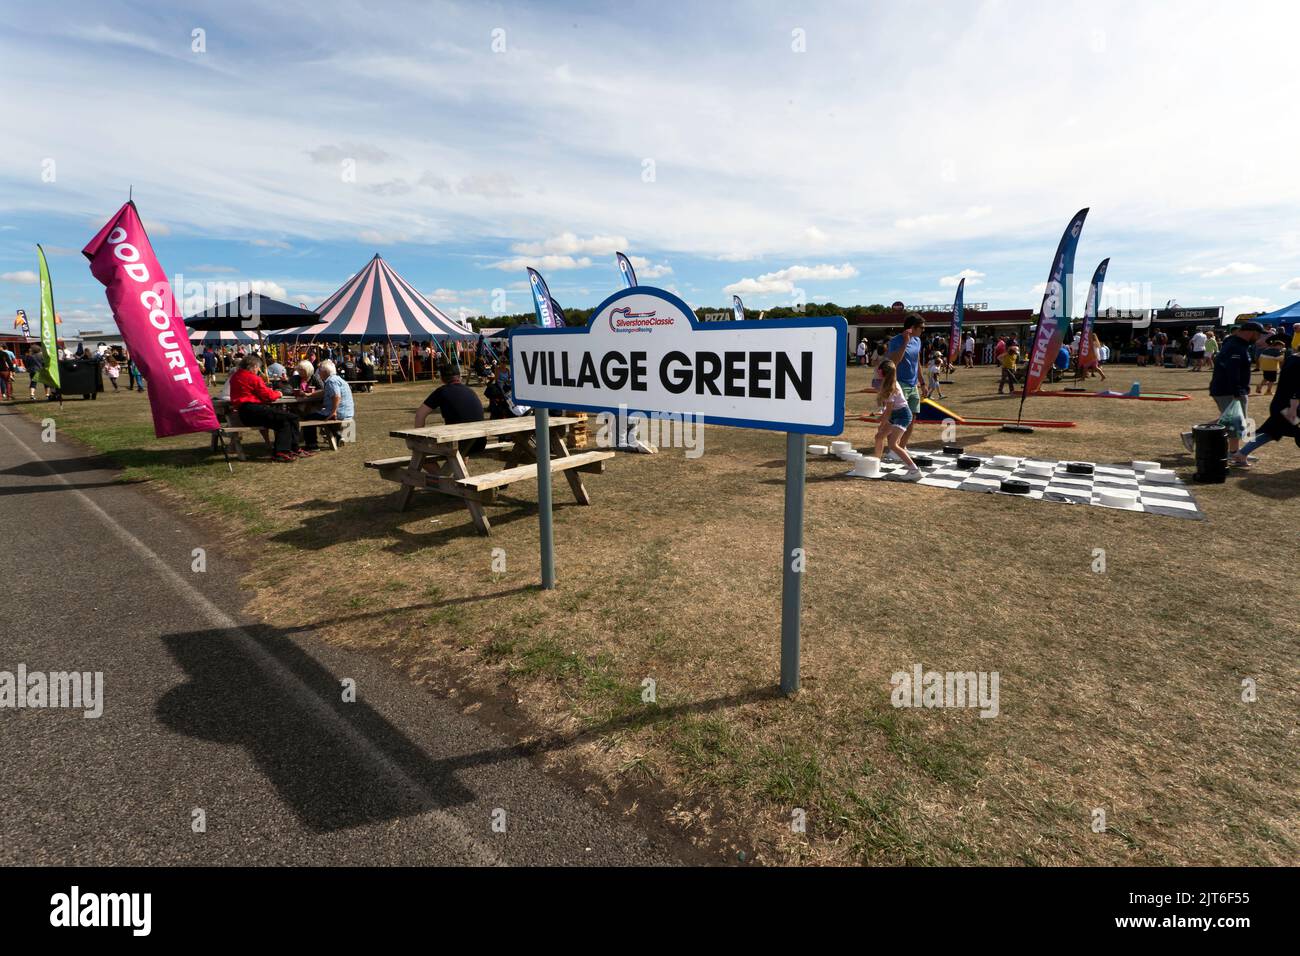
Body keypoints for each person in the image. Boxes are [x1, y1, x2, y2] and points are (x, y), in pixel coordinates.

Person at [227, 354, 309, 462]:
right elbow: (268, 396)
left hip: (243, 412)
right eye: (257, 368)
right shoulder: (253, 378)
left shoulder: (235, 376)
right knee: (291, 418)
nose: (258, 370)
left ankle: (285, 450)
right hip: (253, 409)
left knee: (284, 421)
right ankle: (289, 449)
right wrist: (278, 393)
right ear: (253, 366)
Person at [1231, 345, 1300, 467]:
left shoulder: (1292, 359)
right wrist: (1293, 409)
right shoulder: (1297, 363)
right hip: (1289, 407)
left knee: (1272, 432)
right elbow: (1296, 389)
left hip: (1281, 404)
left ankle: (1241, 455)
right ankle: (1240, 454)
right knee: (1277, 432)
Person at [1207, 321, 1263, 460]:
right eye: (1258, 334)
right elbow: (1232, 371)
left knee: (1231, 420)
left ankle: (1194, 434)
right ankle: (1234, 453)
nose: (1260, 338)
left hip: (1231, 389)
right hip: (1227, 390)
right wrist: (1237, 391)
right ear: (1251, 332)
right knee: (1235, 423)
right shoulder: (1235, 346)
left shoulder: (1239, 345)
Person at [416, 365, 486, 454]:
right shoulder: (469, 390)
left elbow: (420, 415)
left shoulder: (442, 391)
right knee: (461, 453)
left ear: (441, 378)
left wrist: (418, 439)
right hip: (479, 442)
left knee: (419, 449)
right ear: (459, 377)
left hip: (458, 444)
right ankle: (458, 467)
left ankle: (449, 468)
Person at [886, 313, 928, 452]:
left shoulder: (917, 341)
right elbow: (894, 362)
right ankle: (893, 448)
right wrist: (905, 342)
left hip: (913, 385)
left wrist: (922, 383)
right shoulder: (896, 341)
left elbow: (917, 363)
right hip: (899, 384)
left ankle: (901, 447)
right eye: (921, 328)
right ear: (912, 328)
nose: (923, 330)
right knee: (897, 418)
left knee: (911, 418)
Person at [871, 359, 920, 476]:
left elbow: (888, 411)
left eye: (879, 370)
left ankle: (914, 469)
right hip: (895, 414)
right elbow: (888, 411)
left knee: (893, 444)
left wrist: (881, 421)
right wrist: (882, 421)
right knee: (879, 437)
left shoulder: (890, 388)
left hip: (903, 416)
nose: (877, 372)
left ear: (882, 373)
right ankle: (876, 463)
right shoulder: (888, 383)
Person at [301, 359, 355, 450]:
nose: (318, 373)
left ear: (325, 372)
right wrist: (309, 394)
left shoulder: (331, 381)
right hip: (347, 412)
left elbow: (336, 396)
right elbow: (324, 392)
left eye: (320, 371)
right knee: (318, 414)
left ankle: (312, 445)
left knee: (307, 418)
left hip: (339, 413)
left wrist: (333, 412)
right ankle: (337, 436)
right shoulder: (337, 379)